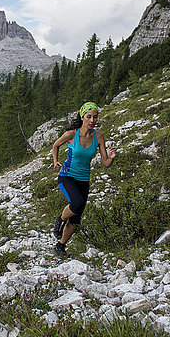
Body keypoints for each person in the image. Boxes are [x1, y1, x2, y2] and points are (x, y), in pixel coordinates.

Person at [51, 102, 117, 256]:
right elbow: (55, 146)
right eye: (89, 117)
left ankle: (60, 246)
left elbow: (106, 163)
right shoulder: (72, 134)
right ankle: (59, 219)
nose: (92, 120)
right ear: (82, 117)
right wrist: (55, 162)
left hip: (83, 180)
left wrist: (112, 157)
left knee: (76, 218)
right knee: (77, 203)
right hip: (67, 176)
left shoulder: (98, 136)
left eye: (95, 117)